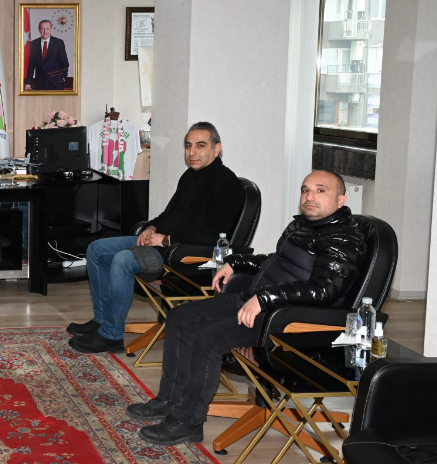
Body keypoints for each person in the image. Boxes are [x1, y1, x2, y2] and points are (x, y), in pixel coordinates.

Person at [128, 170, 366, 445]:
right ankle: (169, 400)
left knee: (206, 340)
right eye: (305, 190)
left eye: (320, 190)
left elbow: (322, 291)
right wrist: (236, 262)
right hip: (257, 301)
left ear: (341, 200)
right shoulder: (302, 226)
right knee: (179, 317)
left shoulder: (343, 239)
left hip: (285, 319)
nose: (309, 196)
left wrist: (265, 298)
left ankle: (188, 422)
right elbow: (276, 262)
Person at [68, 122, 244, 353]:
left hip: (185, 255)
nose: (192, 152)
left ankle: (111, 335)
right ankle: (101, 320)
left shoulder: (227, 183)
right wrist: (151, 227)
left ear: (216, 148)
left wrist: (166, 239)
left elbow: (215, 235)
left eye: (200, 146)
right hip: (162, 244)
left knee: (124, 259)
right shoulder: (190, 176)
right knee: (97, 249)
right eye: (188, 146)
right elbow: (169, 215)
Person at [24, 20, 69, 91]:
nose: (45, 31)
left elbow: (65, 63)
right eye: (42, 28)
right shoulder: (33, 44)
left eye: (47, 28)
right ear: (39, 30)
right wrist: (28, 82)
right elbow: (31, 65)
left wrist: (62, 77)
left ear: (51, 29)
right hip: (40, 84)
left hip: (56, 84)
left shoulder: (59, 43)